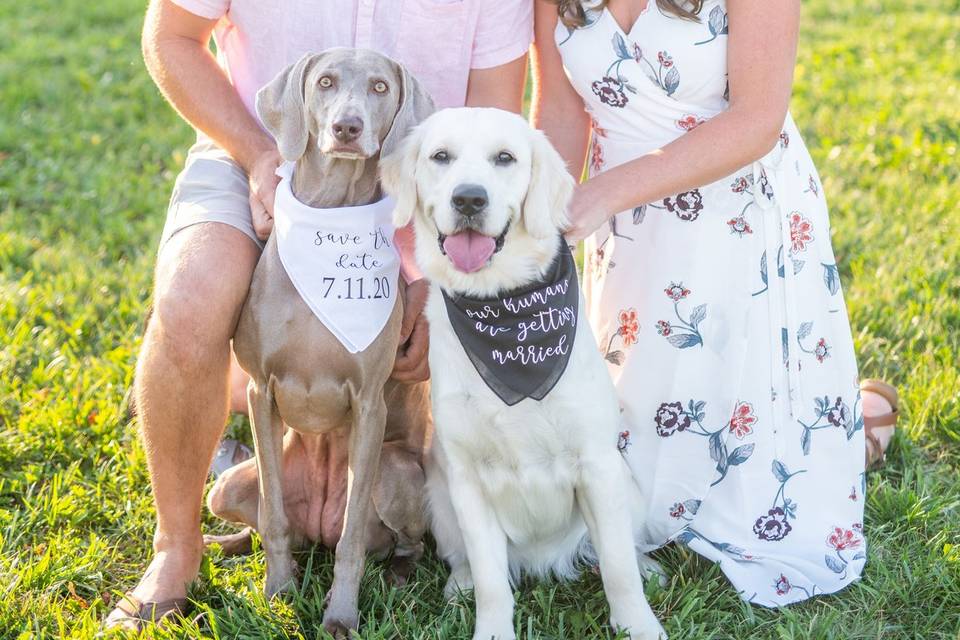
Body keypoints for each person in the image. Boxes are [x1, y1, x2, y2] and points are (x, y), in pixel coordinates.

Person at [105, 0, 532, 629]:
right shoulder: (264, 139)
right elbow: (171, 36)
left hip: (417, 186)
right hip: (253, 148)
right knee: (192, 300)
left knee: (411, 360)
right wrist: (259, 154)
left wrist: (439, 283)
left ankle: (358, 500)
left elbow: (492, 124)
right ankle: (176, 548)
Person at [532, 0, 898, 606]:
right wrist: (539, 224)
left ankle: (861, 428)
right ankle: (853, 418)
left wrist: (605, 193)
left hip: (739, 222)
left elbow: (757, 121)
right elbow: (561, 113)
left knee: (763, 484)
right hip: (627, 244)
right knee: (622, 475)